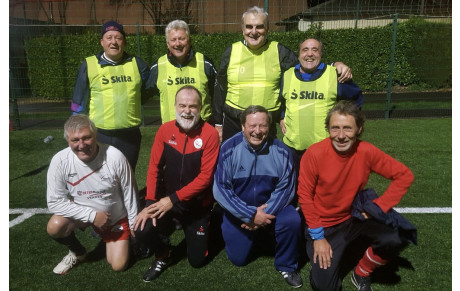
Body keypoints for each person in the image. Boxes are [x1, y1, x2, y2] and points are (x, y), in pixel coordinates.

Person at [297, 101, 415, 291]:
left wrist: (380, 207)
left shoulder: (366, 150)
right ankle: (330, 257)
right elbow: (304, 195)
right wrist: (318, 237)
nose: (341, 135)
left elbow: (404, 175)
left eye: (347, 128)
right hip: (324, 226)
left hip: (354, 216)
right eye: (335, 128)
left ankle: (361, 272)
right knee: (324, 286)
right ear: (328, 128)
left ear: (359, 128)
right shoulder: (314, 153)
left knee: (399, 235)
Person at [212, 6, 352, 142]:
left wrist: (334, 65)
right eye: (249, 26)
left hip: (265, 124)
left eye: (259, 26)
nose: (254, 31)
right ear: (243, 29)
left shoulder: (279, 51)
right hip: (234, 122)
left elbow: (307, 65)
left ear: (267, 29)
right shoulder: (231, 51)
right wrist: (218, 123)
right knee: (231, 163)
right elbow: (220, 88)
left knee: (266, 164)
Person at [133, 85, 220, 282]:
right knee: (141, 228)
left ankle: (213, 221)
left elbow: (206, 178)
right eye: (182, 105)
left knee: (197, 261)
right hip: (168, 202)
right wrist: (149, 204)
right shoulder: (165, 130)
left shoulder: (210, 134)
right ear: (175, 106)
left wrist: (172, 199)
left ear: (200, 108)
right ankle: (163, 254)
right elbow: (154, 168)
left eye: (192, 106)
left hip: (197, 206)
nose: (187, 111)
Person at [213, 105, 303, 288]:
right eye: (252, 126)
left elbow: (286, 189)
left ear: (269, 127)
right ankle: (260, 235)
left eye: (262, 126)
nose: (257, 131)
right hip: (240, 213)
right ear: (243, 127)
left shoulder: (282, 151)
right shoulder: (228, 149)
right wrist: (249, 214)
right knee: (238, 259)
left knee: (293, 219)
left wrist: (262, 215)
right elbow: (221, 188)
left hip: (271, 210)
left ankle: (286, 265)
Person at [46, 114, 139, 275]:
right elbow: (54, 202)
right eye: (75, 140)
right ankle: (77, 252)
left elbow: (130, 192)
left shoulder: (115, 156)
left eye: (86, 138)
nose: (81, 145)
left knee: (118, 265)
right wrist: (92, 216)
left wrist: (133, 225)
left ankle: (113, 237)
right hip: (82, 215)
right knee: (55, 227)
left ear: (95, 135)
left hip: (114, 218)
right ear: (68, 141)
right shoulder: (60, 160)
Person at [71, 20, 150, 171]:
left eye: (118, 38)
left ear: (124, 42)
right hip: (100, 135)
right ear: (102, 42)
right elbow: (78, 100)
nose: (113, 42)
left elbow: (148, 89)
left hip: (130, 135)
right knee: (100, 177)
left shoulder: (137, 64)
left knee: (126, 176)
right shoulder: (89, 64)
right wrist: (77, 130)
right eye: (109, 37)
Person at [279, 37, 363, 172]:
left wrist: (349, 124)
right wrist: (282, 116)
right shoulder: (287, 75)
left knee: (323, 189)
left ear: (321, 54)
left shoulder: (334, 75)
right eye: (305, 50)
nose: (310, 54)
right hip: (293, 148)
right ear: (299, 54)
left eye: (315, 50)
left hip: (325, 148)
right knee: (295, 189)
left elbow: (356, 98)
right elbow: (281, 101)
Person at [146, 19, 217, 124]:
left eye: (182, 39)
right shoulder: (157, 67)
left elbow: (218, 96)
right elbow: (143, 94)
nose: (177, 43)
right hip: (171, 131)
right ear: (167, 43)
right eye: (173, 40)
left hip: (202, 130)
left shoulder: (205, 63)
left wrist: (218, 122)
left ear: (189, 40)